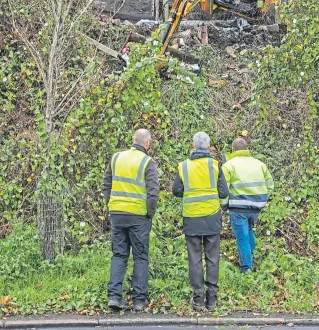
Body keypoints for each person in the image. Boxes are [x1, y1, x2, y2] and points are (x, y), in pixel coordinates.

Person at [103, 128, 159, 311]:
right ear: (148, 143)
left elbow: (106, 184)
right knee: (140, 257)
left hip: (117, 213)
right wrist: (149, 214)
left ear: (133, 139)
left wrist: (112, 204)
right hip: (139, 216)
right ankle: (139, 300)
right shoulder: (148, 162)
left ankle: (114, 296)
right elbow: (153, 193)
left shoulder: (116, 158)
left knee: (119, 254)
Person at [172, 131, 229, 312]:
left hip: (192, 218)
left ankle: (198, 300)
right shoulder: (215, 165)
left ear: (193, 145)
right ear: (209, 147)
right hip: (212, 218)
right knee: (212, 259)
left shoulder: (184, 166)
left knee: (195, 259)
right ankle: (211, 300)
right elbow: (224, 193)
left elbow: (176, 191)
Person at [222, 137, 274, 274]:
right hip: (256, 207)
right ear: (246, 149)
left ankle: (246, 269)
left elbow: (223, 189)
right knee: (249, 231)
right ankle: (255, 258)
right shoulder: (259, 164)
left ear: (233, 150)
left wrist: (223, 205)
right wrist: (261, 200)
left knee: (242, 238)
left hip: (238, 208)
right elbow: (270, 185)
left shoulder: (229, 165)